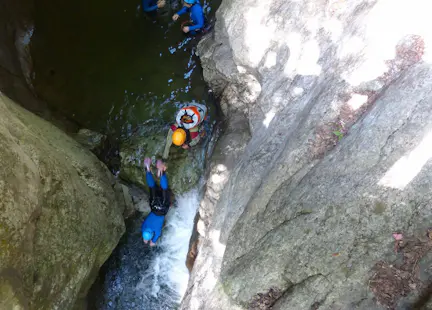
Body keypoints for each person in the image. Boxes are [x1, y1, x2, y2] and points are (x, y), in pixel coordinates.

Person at [141, 158, 171, 246]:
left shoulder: (156, 230)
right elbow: (143, 230)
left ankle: (162, 173)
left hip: (162, 209)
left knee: (165, 190)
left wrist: (152, 242)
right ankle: (148, 170)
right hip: (153, 206)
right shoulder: (145, 227)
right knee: (152, 187)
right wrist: (145, 238)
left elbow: (156, 237)